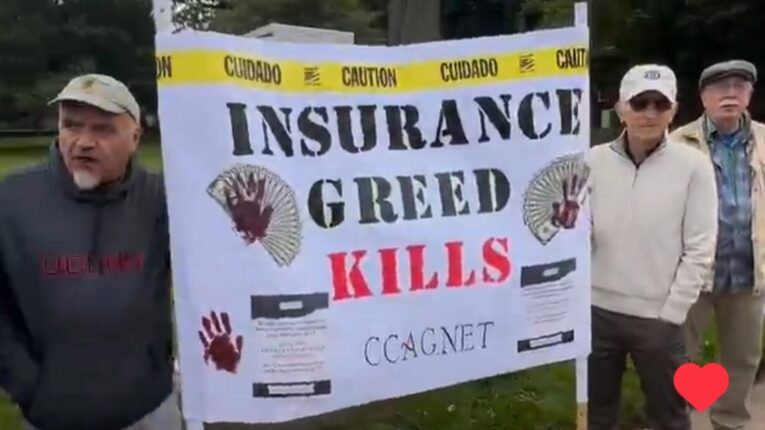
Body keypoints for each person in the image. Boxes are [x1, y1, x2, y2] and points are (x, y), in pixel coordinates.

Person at [0, 74, 182, 430]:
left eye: (103, 129)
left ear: (135, 138)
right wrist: (27, 384)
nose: (83, 142)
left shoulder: (163, 198)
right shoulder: (11, 200)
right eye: (71, 125)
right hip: (51, 415)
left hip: (150, 407)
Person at [585, 64, 718, 430]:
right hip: (597, 311)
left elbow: (701, 246)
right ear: (620, 108)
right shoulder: (593, 160)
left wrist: (673, 311)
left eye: (660, 104)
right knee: (597, 414)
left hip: (659, 316)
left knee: (669, 416)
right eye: (639, 102)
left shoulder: (694, 166)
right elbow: (580, 228)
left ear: (673, 111)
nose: (649, 113)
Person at [669, 59, 765, 430]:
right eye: (720, 88)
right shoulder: (678, 143)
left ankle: (730, 422)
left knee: (743, 357)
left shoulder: (763, 139)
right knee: (678, 355)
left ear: (750, 95)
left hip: (748, 269)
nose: (730, 95)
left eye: (739, 87)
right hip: (691, 272)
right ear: (703, 97)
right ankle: (673, 421)